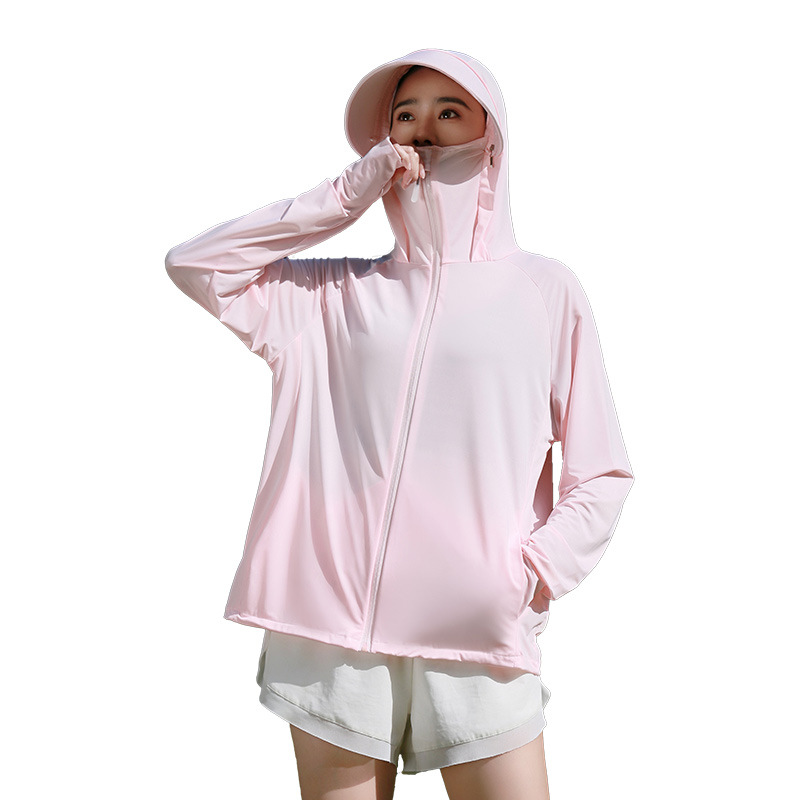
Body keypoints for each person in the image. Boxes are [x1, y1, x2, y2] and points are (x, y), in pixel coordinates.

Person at [165, 49, 634, 800]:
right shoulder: (327, 297)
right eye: (405, 115)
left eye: (450, 111)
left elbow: (601, 470)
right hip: (330, 631)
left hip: (473, 629)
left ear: (491, 135)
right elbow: (198, 265)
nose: (424, 129)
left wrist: (531, 574)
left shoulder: (545, 291)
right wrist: (343, 197)